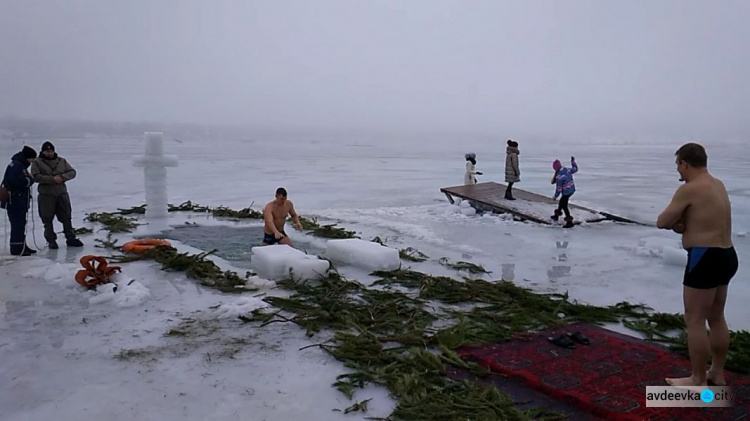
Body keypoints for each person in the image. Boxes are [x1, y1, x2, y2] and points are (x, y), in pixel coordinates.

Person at [657, 143, 738, 387]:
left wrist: (676, 223)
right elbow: (702, 219)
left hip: (705, 257)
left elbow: (663, 221)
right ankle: (717, 373)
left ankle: (697, 378)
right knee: (717, 317)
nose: (678, 172)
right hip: (727, 254)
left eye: (678, 166)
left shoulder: (690, 189)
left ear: (684, 163)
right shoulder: (718, 184)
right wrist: (682, 224)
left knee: (694, 320)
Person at [30, 141, 83, 249]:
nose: (49, 153)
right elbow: (35, 176)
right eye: (47, 151)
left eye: (51, 151)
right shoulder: (37, 162)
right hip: (46, 195)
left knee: (66, 217)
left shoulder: (61, 161)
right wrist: (51, 179)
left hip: (61, 194)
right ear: (43, 152)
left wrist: (62, 177)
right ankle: (51, 241)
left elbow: (72, 172)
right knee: (47, 219)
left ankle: (70, 238)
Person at [1, 146, 38, 256]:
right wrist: (30, 179)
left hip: (18, 200)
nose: (32, 162)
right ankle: (17, 248)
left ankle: (21, 245)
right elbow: (19, 182)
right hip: (15, 200)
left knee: (21, 223)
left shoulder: (18, 164)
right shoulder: (17, 166)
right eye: (32, 159)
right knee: (18, 224)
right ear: (27, 157)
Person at [551, 156, 578, 228]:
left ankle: (569, 222)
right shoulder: (567, 170)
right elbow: (575, 169)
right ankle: (556, 216)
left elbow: (559, 189)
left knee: (564, 205)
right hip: (571, 189)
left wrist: (555, 196)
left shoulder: (559, 176)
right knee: (562, 202)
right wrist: (573, 162)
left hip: (566, 192)